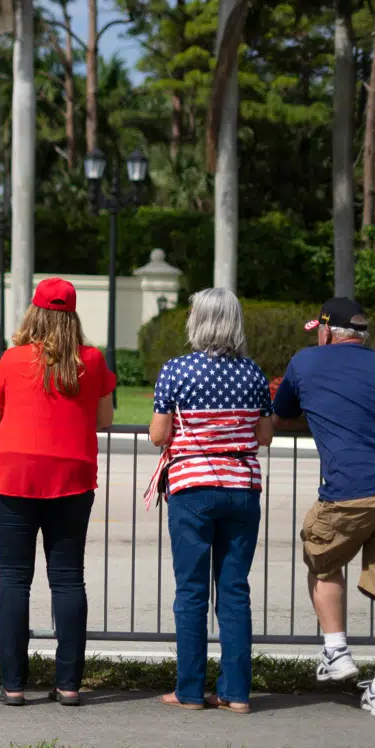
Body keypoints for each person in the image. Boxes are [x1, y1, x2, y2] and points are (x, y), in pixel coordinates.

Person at [272, 297, 375, 719]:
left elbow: (281, 415)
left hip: (352, 487)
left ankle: (336, 651)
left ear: (325, 331)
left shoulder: (306, 362)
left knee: (322, 557)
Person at [0, 278, 114, 706]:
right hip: (72, 475)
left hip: (16, 473)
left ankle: (13, 684)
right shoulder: (91, 360)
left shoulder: (14, 357)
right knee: (69, 578)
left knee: (14, 578)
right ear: (72, 315)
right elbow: (105, 419)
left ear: (34, 313)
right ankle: (69, 683)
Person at [149, 289, 273, 714]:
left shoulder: (177, 370)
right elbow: (264, 436)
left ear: (197, 321)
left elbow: (159, 435)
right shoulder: (253, 374)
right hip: (242, 488)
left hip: (193, 489)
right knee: (235, 590)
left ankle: (189, 690)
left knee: (192, 590)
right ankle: (236, 693)